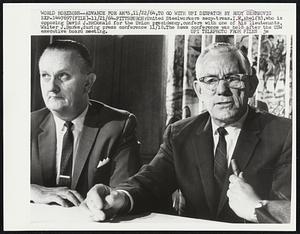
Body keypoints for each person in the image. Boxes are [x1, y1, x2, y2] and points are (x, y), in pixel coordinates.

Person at [81, 42, 292, 223]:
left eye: (233, 78)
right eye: (210, 81)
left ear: (251, 85)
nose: (221, 90)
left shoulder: (285, 133)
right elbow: (150, 182)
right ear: (199, 90)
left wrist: (257, 207)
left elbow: (290, 207)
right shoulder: (180, 133)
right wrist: (119, 196)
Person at [31, 40, 140, 207]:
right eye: (45, 75)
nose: (51, 87)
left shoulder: (118, 125)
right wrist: (30, 190)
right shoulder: (25, 125)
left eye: (63, 76)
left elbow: (125, 191)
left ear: (88, 83)